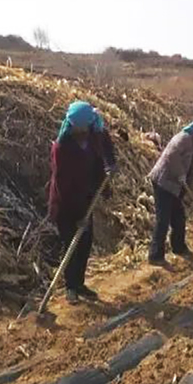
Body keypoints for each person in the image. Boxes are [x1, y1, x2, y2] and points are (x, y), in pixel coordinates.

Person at [47, 101, 117, 305]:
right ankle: (70, 288)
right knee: (72, 246)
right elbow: (63, 186)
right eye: (77, 127)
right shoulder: (62, 147)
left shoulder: (94, 134)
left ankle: (79, 284)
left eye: (83, 127)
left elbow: (106, 145)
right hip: (65, 205)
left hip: (86, 199)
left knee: (85, 244)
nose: (80, 131)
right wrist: (78, 216)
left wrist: (110, 165)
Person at [147, 120, 193, 266]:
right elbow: (171, 154)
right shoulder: (184, 138)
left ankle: (179, 247)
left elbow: (190, 174)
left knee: (179, 217)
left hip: (175, 186)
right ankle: (155, 256)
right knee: (163, 219)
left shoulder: (192, 144)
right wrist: (180, 173)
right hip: (164, 182)